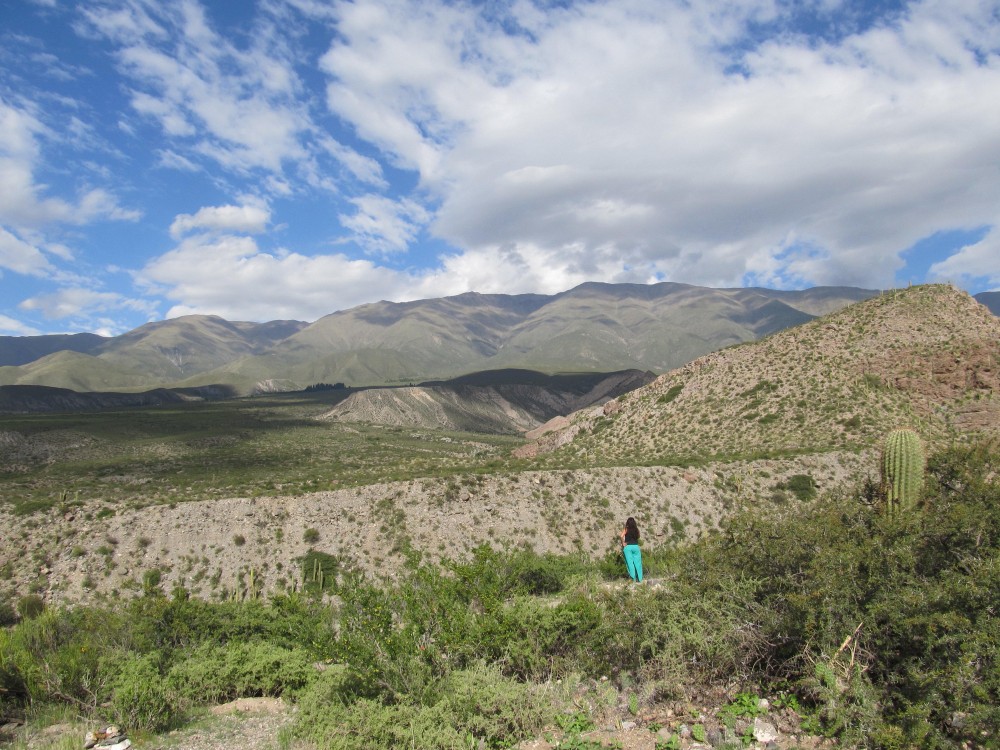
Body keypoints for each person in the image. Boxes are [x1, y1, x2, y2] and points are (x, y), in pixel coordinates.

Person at [619, 517, 643, 582]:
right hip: (636, 547)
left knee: (630, 563)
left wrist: (623, 542)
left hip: (628, 547)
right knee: (638, 563)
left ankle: (633, 578)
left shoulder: (626, 529)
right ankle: (640, 579)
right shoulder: (636, 529)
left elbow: (621, 536)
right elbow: (638, 536)